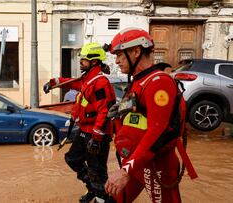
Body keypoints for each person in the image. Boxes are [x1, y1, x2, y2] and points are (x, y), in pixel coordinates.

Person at [104, 28, 197, 202]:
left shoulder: (158, 82)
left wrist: (125, 171)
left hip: (156, 165)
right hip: (136, 162)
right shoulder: (138, 81)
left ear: (136, 51)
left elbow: (157, 132)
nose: (116, 61)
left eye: (120, 55)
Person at [43, 42, 116, 202]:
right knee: (72, 159)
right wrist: (53, 82)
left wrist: (96, 139)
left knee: (97, 171)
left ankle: (103, 197)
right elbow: (72, 82)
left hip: (97, 135)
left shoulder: (100, 83)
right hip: (85, 130)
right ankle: (93, 189)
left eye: (84, 59)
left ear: (94, 62)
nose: (80, 61)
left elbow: (104, 112)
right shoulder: (88, 78)